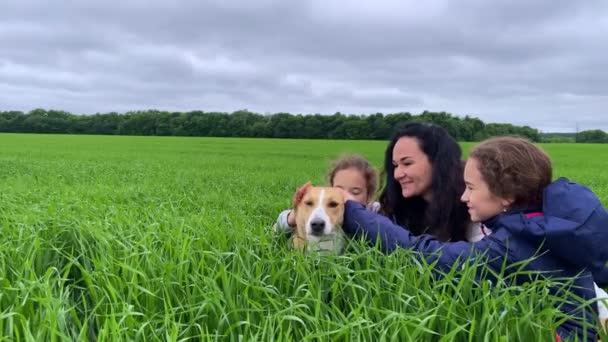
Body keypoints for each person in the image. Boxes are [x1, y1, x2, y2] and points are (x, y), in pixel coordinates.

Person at [337, 136, 608, 341]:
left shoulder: (511, 249)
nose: (463, 196)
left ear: (506, 196)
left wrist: (351, 210)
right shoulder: (552, 223)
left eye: (470, 187)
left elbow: (421, 253)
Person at [377, 122, 470, 242]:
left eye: (407, 163)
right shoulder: (399, 208)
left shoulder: (473, 210)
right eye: (395, 165)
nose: (397, 174)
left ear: (438, 161)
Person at [274, 154, 380, 234]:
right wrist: (295, 214)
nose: (345, 198)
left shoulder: (374, 211)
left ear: (369, 196)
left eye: (355, 192)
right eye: (338, 191)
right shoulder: (319, 210)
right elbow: (277, 227)